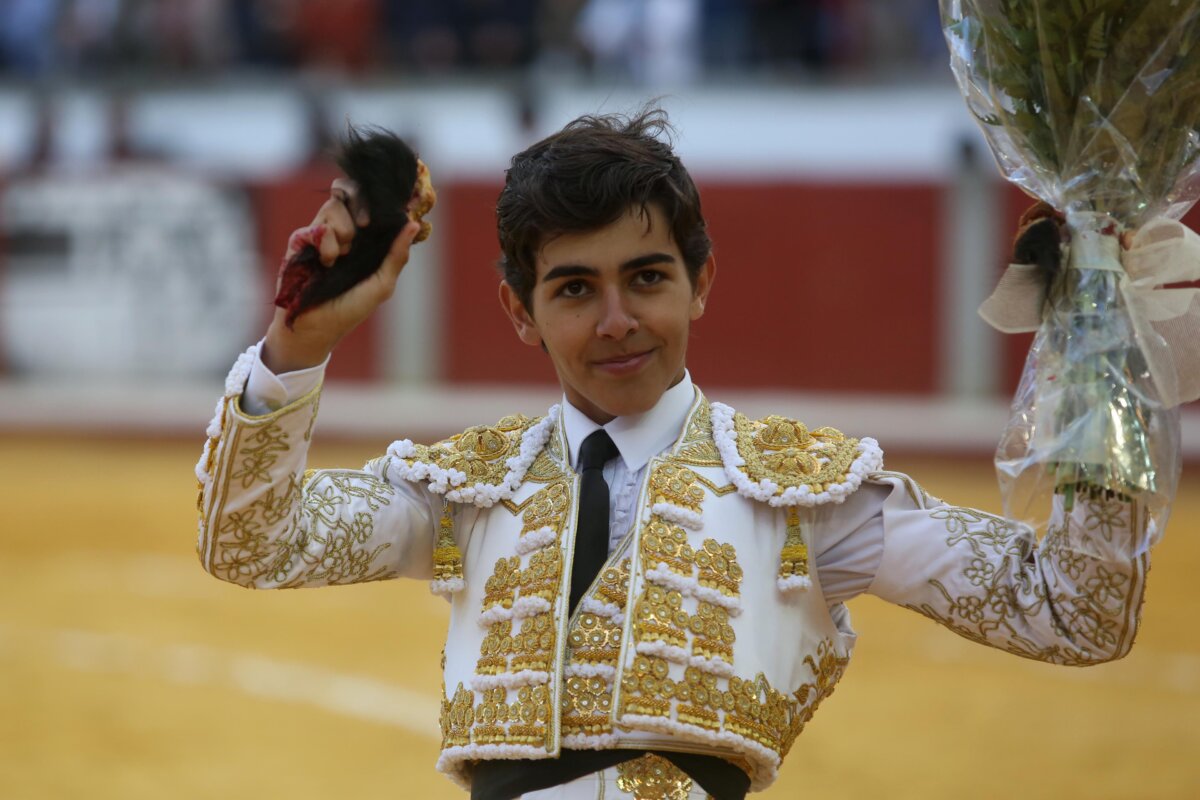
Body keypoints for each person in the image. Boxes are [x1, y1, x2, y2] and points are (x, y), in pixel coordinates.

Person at [195, 108, 1165, 800]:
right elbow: (250, 543)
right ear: (519, 312)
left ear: (700, 282)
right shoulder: (465, 491)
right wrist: (297, 348)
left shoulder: (804, 496)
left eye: (648, 278)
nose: (618, 321)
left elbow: (1070, 610)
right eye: (575, 289)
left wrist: (1098, 351)